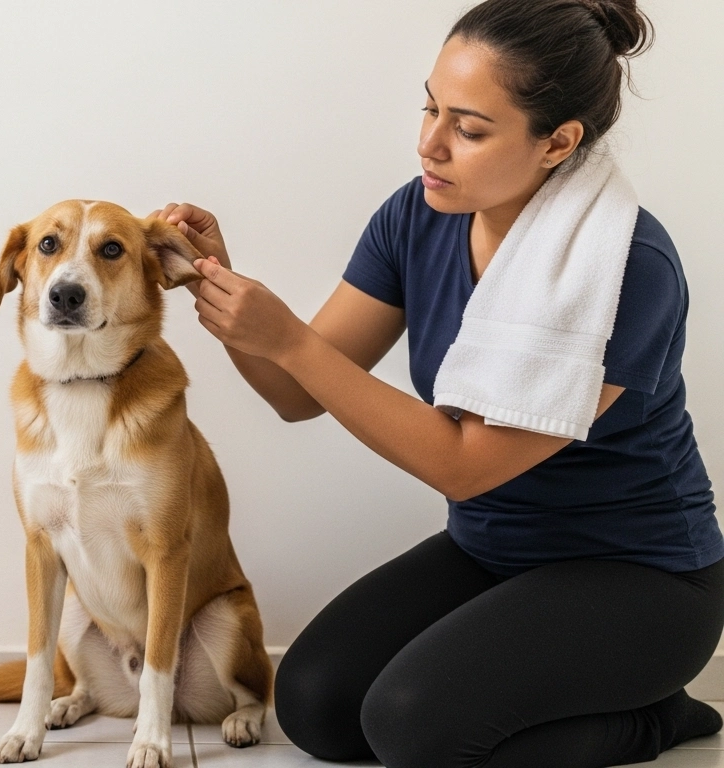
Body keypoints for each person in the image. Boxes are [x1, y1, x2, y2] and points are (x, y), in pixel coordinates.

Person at [154, 0, 724, 765]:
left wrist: (288, 337)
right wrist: (215, 282)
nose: (430, 143)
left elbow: (464, 464)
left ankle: (655, 719)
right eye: (430, 107)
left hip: (639, 576)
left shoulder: (624, 266)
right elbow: (296, 394)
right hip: (494, 552)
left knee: (414, 727)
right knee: (317, 704)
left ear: (558, 142)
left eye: (469, 128)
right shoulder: (416, 217)